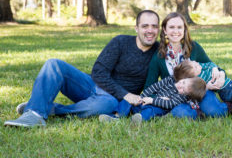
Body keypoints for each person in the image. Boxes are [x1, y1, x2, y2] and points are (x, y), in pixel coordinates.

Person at [4, 10, 160, 127]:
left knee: (106, 105)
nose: (150, 30)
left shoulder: (160, 52)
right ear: (136, 28)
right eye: (145, 26)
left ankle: (49, 108)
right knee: (54, 64)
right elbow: (98, 73)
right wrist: (125, 94)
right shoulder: (121, 42)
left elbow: (174, 68)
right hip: (91, 85)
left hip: (109, 100)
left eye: (154, 26)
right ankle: (34, 114)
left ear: (159, 29)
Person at [144, 12, 232, 119]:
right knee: (180, 113)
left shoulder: (194, 47)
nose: (176, 31)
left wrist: (220, 73)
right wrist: (162, 99)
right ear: (165, 30)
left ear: (184, 30)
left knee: (214, 112)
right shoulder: (159, 57)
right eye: (171, 27)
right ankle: (198, 112)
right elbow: (149, 87)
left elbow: (212, 67)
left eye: (179, 27)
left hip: (201, 92)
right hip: (177, 98)